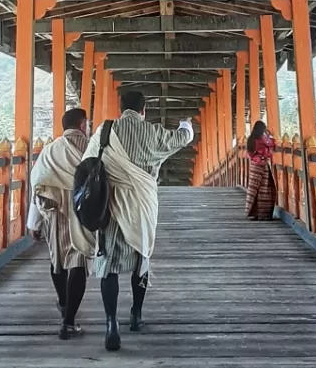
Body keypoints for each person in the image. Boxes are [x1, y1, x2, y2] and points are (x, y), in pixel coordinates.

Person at [82, 88, 193, 351]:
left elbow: (87, 162)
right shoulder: (153, 132)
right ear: (144, 111)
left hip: (112, 206)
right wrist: (186, 126)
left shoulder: (106, 130)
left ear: (121, 109)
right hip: (142, 207)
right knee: (141, 259)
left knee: (108, 265)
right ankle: (136, 315)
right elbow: (180, 139)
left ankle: (111, 322)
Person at [28, 106, 95, 338]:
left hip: (55, 213)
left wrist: (33, 222)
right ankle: (68, 321)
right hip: (82, 212)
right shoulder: (92, 148)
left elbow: (37, 183)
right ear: (82, 126)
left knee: (58, 260)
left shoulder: (49, 150)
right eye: (87, 124)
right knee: (78, 261)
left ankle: (64, 303)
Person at [245, 120, 278, 220]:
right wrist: (270, 136)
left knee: (254, 189)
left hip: (254, 165)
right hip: (262, 165)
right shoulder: (261, 140)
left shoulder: (250, 139)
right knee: (264, 189)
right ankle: (263, 214)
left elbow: (250, 153)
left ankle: (254, 212)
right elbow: (271, 145)